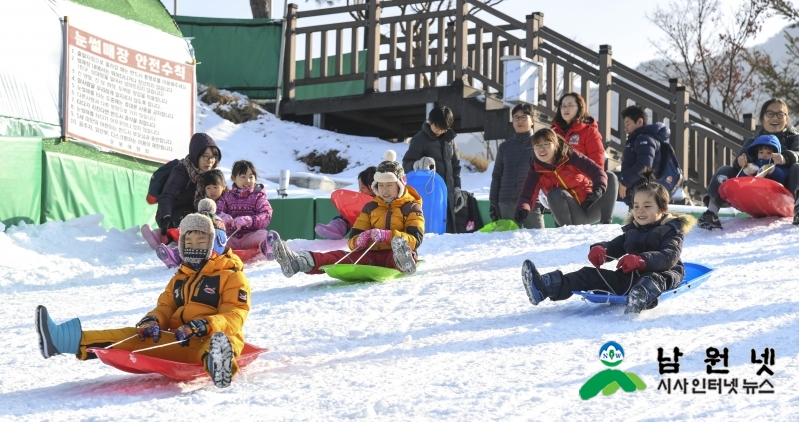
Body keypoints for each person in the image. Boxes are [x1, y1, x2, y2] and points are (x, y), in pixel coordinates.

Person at [35, 203, 250, 388]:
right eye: (189, 242)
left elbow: (235, 315)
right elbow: (165, 307)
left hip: (212, 335)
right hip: (179, 340)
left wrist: (204, 325)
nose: (194, 247)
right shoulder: (181, 277)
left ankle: (218, 363)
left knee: (221, 341)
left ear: (217, 244)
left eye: (201, 242)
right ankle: (61, 340)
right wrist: (153, 320)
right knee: (132, 335)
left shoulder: (232, 277)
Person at [520, 170, 696, 314]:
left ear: (662, 209)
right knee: (588, 274)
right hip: (630, 279)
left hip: (663, 273)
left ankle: (641, 297)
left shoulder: (671, 230)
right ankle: (545, 286)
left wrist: (642, 260)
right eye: (636, 206)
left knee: (653, 279)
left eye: (647, 206)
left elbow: (668, 257)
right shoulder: (633, 229)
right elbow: (617, 245)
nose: (640, 211)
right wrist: (602, 249)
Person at [270, 150, 424, 278]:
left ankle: (404, 261)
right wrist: (360, 240)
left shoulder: (411, 207)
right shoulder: (370, 207)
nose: (384, 190)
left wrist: (388, 236)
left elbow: (415, 239)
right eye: (380, 185)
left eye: (389, 185)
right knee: (338, 256)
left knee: (400, 250)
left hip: (393, 254)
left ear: (400, 185)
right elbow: (352, 241)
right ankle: (299, 261)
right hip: (371, 255)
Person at [698, 99, 799, 229]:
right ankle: (711, 212)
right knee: (725, 170)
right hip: (756, 184)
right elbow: (738, 164)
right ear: (762, 118)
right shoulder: (753, 141)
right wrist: (741, 162)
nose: (775, 117)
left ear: (786, 119)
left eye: (780, 114)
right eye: (770, 113)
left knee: (797, 167)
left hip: (786, 188)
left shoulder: (794, 138)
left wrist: (785, 158)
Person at [515, 129, 613, 227]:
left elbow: (596, 171)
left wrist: (598, 189)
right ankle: (566, 231)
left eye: (546, 144)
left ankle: (606, 223)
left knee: (610, 177)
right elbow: (527, 194)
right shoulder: (536, 170)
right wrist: (522, 209)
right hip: (571, 216)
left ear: (556, 145)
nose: (541, 149)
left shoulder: (571, 157)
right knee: (554, 193)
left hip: (591, 205)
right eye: (537, 145)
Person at [144, 133, 222, 247]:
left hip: (195, 215)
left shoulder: (211, 174)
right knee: (190, 226)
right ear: (196, 156)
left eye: (213, 157)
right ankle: (161, 237)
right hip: (172, 215)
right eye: (206, 156)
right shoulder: (181, 171)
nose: (210, 161)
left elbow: (222, 194)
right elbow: (167, 195)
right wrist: (166, 216)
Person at [402, 106, 464, 233]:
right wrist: (417, 164)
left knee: (448, 232)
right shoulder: (419, 139)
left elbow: (455, 167)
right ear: (430, 121)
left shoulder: (450, 140)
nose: (440, 131)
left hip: (448, 195)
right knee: (432, 231)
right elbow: (406, 163)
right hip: (429, 195)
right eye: (437, 127)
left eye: (443, 129)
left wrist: (457, 190)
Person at [489, 103, 543, 228]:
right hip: (506, 201)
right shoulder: (504, 147)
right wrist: (493, 203)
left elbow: (547, 173)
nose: (520, 121)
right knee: (508, 243)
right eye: (516, 117)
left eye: (524, 117)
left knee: (538, 241)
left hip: (531, 202)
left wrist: (546, 199)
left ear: (533, 120)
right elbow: (496, 175)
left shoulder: (540, 144)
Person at [214, 160, 274, 257]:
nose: (248, 180)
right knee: (217, 239)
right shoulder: (226, 197)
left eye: (251, 177)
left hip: (251, 235)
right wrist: (224, 218)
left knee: (261, 235)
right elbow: (216, 213)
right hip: (231, 237)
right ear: (233, 178)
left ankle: (268, 247)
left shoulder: (258, 196)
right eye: (243, 177)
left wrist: (250, 220)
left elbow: (266, 214)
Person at [618, 105, 672, 207]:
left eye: (627, 124)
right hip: (641, 194)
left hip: (644, 193)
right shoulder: (640, 139)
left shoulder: (645, 139)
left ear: (639, 122)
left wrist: (625, 181)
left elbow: (644, 165)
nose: (625, 128)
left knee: (642, 220)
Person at [315, 166, 377, 240]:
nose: (360, 190)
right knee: (346, 215)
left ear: (374, 186)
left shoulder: (381, 201)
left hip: (375, 228)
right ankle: (337, 227)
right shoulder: (361, 200)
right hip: (360, 228)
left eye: (363, 187)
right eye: (359, 187)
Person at [551, 92, 605, 168]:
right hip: (555, 178)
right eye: (563, 106)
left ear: (580, 107)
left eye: (570, 105)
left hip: (581, 178)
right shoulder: (552, 132)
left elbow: (597, 166)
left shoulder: (590, 132)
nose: (566, 109)